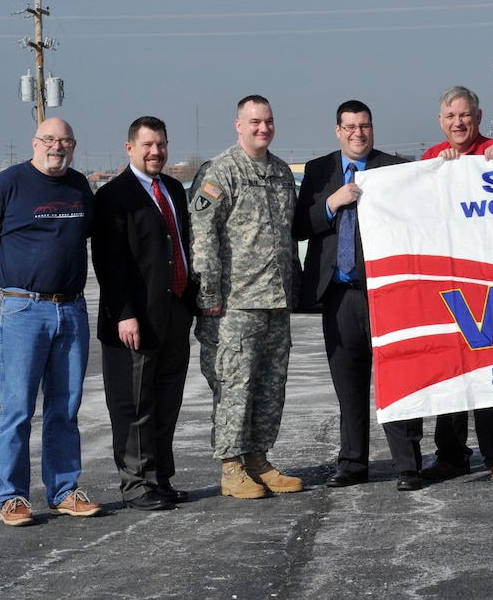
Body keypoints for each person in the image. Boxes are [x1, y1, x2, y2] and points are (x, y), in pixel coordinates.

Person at [293, 99, 424, 492]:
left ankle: (408, 464)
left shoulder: (395, 168)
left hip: (387, 294)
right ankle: (352, 463)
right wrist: (332, 203)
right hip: (338, 295)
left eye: (364, 126)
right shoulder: (319, 171)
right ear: (338, 130)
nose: (358, 133)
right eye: (349, 127)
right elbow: (299, 225)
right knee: (348, 384)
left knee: (398, 379)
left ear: (372, 128)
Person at [189, 95, 302, 499]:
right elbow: (203, 236)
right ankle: (232, 467)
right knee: (234, 385)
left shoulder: (280, 172)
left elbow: (287, 235)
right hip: (234, 303)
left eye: (268, 120)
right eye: (254, 121)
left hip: (275, 300)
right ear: (239, 125)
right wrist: (209, 296)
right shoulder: (222, 171)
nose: (263, 128)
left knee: (271, 386)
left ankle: (258, 458)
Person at [0, 117, 102, 526]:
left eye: (66, 141)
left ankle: (64, 490)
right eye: (50, 140)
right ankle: (13, 497)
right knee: (18, 408)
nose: (58, 147)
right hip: (24, 310)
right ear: (35, 142)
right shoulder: (8, 184)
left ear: (74, 146)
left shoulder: (79, 188)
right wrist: (10, 275)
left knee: (65, 407)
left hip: (71, 309)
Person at [92, 116, 198, 511]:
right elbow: (109, 262)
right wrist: (124, 314)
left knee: (166, 400)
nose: (156, 152)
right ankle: (136, 485)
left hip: (174, 312)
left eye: (162, 145)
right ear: (130, 148)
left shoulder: (172, 189)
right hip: (133, 319)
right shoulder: (113, 197)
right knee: (134, 404)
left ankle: (160, 479)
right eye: (148, 145)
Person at [420, 86, 493, 483]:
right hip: (446, 285)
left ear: (478, 117)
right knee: (450, 371)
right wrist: (433, 174)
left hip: (490, 285)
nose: (458, 123)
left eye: (465, 115)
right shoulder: (431, 158)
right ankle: (451, 455)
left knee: (490, 372)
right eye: (451, 117)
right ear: (441, 121)